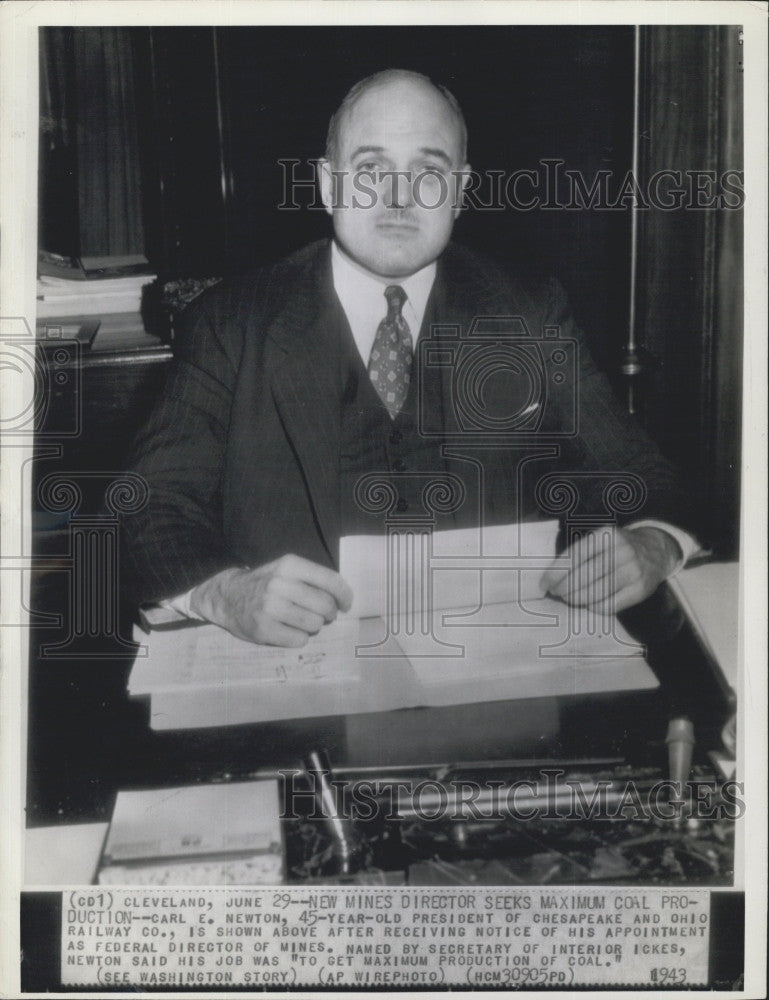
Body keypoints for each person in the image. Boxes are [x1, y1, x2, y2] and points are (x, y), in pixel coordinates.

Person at [121, 69, 699, 647]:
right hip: (300, 675)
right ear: (328, 185)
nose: (399, 198)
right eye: (372, 170)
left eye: (428, 172)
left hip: (491, 669)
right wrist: (223, 592)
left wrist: (654, 545)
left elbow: (645, 480)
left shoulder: (529, 310)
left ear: (461, 190)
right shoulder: (231, 322)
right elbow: (147, 504)